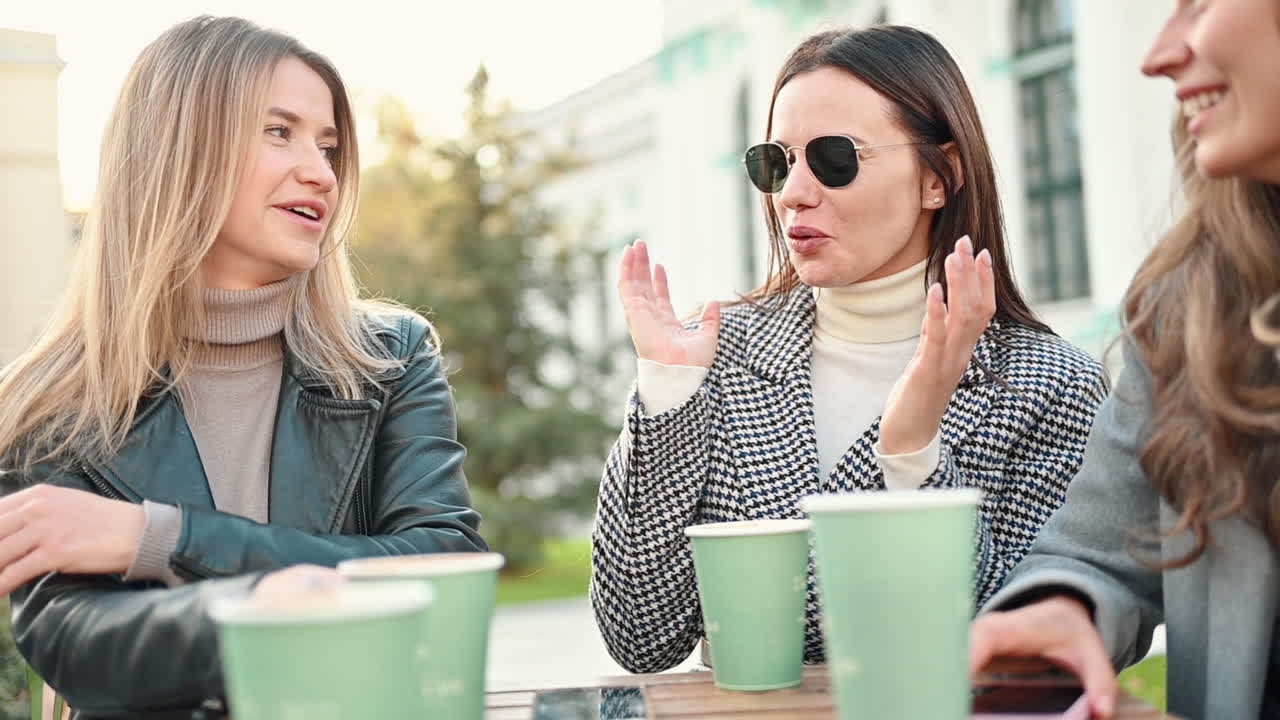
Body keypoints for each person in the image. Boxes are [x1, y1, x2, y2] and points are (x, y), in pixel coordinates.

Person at [0, 16, 484, 718]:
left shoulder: (392, 356)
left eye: (329, 146)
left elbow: (444, 568)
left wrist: (156, 538)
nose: (320, 172)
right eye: (278, 131)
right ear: (175, 149)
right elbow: (77, 648)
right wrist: (258, 601)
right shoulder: (47, 406)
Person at [590, 24, 1109, 674]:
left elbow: (1022, 658)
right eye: (776, 162)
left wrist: (914, 451)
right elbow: (639, 636)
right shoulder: (716, 354)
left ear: (939, 177)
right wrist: (666, 399)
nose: (792, 193)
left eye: (836, 158)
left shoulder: (1054, 387)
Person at [969, 2, 1280, 719]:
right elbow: (1095, 557)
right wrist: (1058, 611)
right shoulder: (1192, 304)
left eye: (1199, 4)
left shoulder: (1041, 374)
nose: (1160, 54)